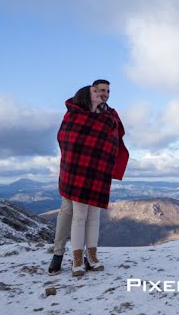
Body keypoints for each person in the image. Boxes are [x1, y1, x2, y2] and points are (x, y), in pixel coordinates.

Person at [48, 79, 129, 276]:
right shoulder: (74, 114)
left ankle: (90, 256)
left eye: (108, 91)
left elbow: (114, 141)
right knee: (69, 213)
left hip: (97, 171)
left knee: (91, 215)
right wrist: (72, 161)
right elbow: (65, 139)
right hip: (75, 171)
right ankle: (60, 255)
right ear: (90, 92)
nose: (104, 94)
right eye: (100, 90)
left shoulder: (110, 115)